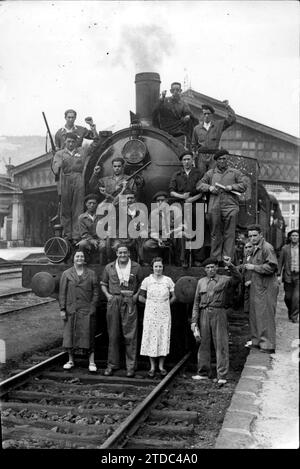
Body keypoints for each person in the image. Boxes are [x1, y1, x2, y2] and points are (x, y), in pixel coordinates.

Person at [191, 256, 241, 385]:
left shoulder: (225, 280)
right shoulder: (201, 282)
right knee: (203, 343)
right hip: (204, 313)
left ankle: (222, 375)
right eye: (207, 268)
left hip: (219, 312)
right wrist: (193, 321)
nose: (210, 269)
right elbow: (196, 302)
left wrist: (230, 265)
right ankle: (203, 372)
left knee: (221, 344)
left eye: (212, 267)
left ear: (216, 268)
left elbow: (238, 278)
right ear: (204, 270)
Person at [100, 244, 143, 377]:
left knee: (130, 334)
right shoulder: (109, 267)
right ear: (116, 254)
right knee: (113, 334)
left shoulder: (136, 267)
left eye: (125, 253)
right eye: (120, 253)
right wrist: (108, 296)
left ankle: (130, 366)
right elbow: (103, 284)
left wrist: (136, 296)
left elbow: (142, 283)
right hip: (114, 300)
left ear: (129, 253)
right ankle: (112, 365)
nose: (123, 255)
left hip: (129, 300)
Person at [197, 149, 247, 262]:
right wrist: (209, 188)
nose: (222, 161)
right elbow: (199, 184)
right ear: (216, 161)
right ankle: (215, 260)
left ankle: (227, 261)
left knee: (230, 234)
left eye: (224, 158)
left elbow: (244, 185)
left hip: (231, 207)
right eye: (220, 159)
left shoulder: (234, 172)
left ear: (227, 159)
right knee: (215, 234)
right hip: (215, 207)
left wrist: (232, 187)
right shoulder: (210, 173)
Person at [59, 250, 99, 372]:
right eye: (77, 256)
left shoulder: (91, 273)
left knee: (89, 335)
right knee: (70, 335)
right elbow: (62, 293)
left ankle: (91, 362)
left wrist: (93, 307)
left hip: (86, 309)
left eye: (81, 256)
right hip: (71, 308)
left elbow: (96, 292)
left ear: (84, 259)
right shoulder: (66, 274)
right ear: (73, 259)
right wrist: (62, 309)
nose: (79, 258)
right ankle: (70, 360)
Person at [139, 257, 176, 377]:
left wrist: (166, 304)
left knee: (163, 335)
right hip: (150, 313)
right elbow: (140, 297)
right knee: (151, 335)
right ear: (152, 267)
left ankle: (161, 366)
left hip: (164, 313)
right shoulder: (147, 280)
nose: (158, 268)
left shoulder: (168, 280)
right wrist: (151, 304)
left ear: (163, 267)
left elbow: (174, 296)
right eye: (156, 266)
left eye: (160, 266)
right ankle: (152, 367)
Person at [244, 224, 279, 353]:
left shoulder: (266, 247)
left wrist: (254, 267)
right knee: (255, 314)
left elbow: (272, 267)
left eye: (254, 235)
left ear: (260, 235)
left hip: (267, 286)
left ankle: (268, 345)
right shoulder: (255, 248)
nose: (252, 238)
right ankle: (257, 342)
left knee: (266, 315)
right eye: (250, 236)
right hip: (258, 286)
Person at [52, 132, 89, 242]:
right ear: (65, 142)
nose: (71, 144)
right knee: (66, 208)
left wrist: (93, 128)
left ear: (76, 142)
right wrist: (57, 167)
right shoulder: (60, 153)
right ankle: (67, 235)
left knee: (78, 207)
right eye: (69, 141)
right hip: (65, 179)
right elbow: (55, 166)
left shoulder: (82, 151)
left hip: (78, 178)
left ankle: (77, 236)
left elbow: (94, 145)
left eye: (73, 142)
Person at [169, 150, 203, 267]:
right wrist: (182, 197)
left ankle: (198, 259)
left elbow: (203, 191)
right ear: (181, 162)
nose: (186, 162)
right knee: (183, 231)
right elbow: (172, 191)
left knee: (198, 231)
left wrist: (192, 199)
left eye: (188, 159)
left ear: (192, 160)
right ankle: (183, 259)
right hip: (181, 206)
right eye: (184, 160)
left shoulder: (199, 174)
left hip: (196, 205)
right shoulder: (177, 175)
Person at [192, 102, 236, 174]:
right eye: (204, 114)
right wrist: (194, 157)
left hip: (214, 157)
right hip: (201, 157)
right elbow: (193, 144)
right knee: (201, 177)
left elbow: (232, 119)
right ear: (202, 115)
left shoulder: (218, 125)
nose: (206, 116)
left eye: (208, 114)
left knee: (213, 176)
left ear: (212, 115)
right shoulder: (197, 128)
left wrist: (227, 107)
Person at [142, 191, 184, 265]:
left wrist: (173, 231)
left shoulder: (175, 210)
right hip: (160, 236)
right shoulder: (153, 214)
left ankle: (180, 261)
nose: (160, 202)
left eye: (162, 200)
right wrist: (158, 239)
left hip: (173, 235)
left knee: (181, 235)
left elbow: (182, 226)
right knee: (147, 245)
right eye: (158, 201)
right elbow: (151, 230)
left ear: (167, 200)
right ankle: (157, 261)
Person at [152, 82, 198, 147]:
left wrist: (187, 117)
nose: (175, 92)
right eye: (173, 90)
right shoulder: (165, 100)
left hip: (179, 131)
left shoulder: (183, 104)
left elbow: (189, 114)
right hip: (165, 130)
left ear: (180, 91)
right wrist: (162, 98)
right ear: (171, 91)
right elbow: (156, 110)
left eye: (177, 90)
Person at [77, 193, 106, 263]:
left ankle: (102, 265)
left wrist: (102, 240)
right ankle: (85, 263)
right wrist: (92, 240)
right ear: (86, 204)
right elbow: (84, 233)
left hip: (101, 239)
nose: (92, 205)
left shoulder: (102, 215)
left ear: (97, 205)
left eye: (94, 203)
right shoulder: (82, 218)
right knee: (82, 244)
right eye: (90, 203)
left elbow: (105, 229)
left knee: (104, 246)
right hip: (88, 240)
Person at [278, 229, 299, 323]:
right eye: (293, 235)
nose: (295, 237)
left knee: (296, 297)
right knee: (288, 297)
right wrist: (278, 275)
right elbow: (280, 262)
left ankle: (294, 317)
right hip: (288, 276)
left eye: (297, 235)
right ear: (290, 237)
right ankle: (291, 311)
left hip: (298, 276)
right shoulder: (285, 248)